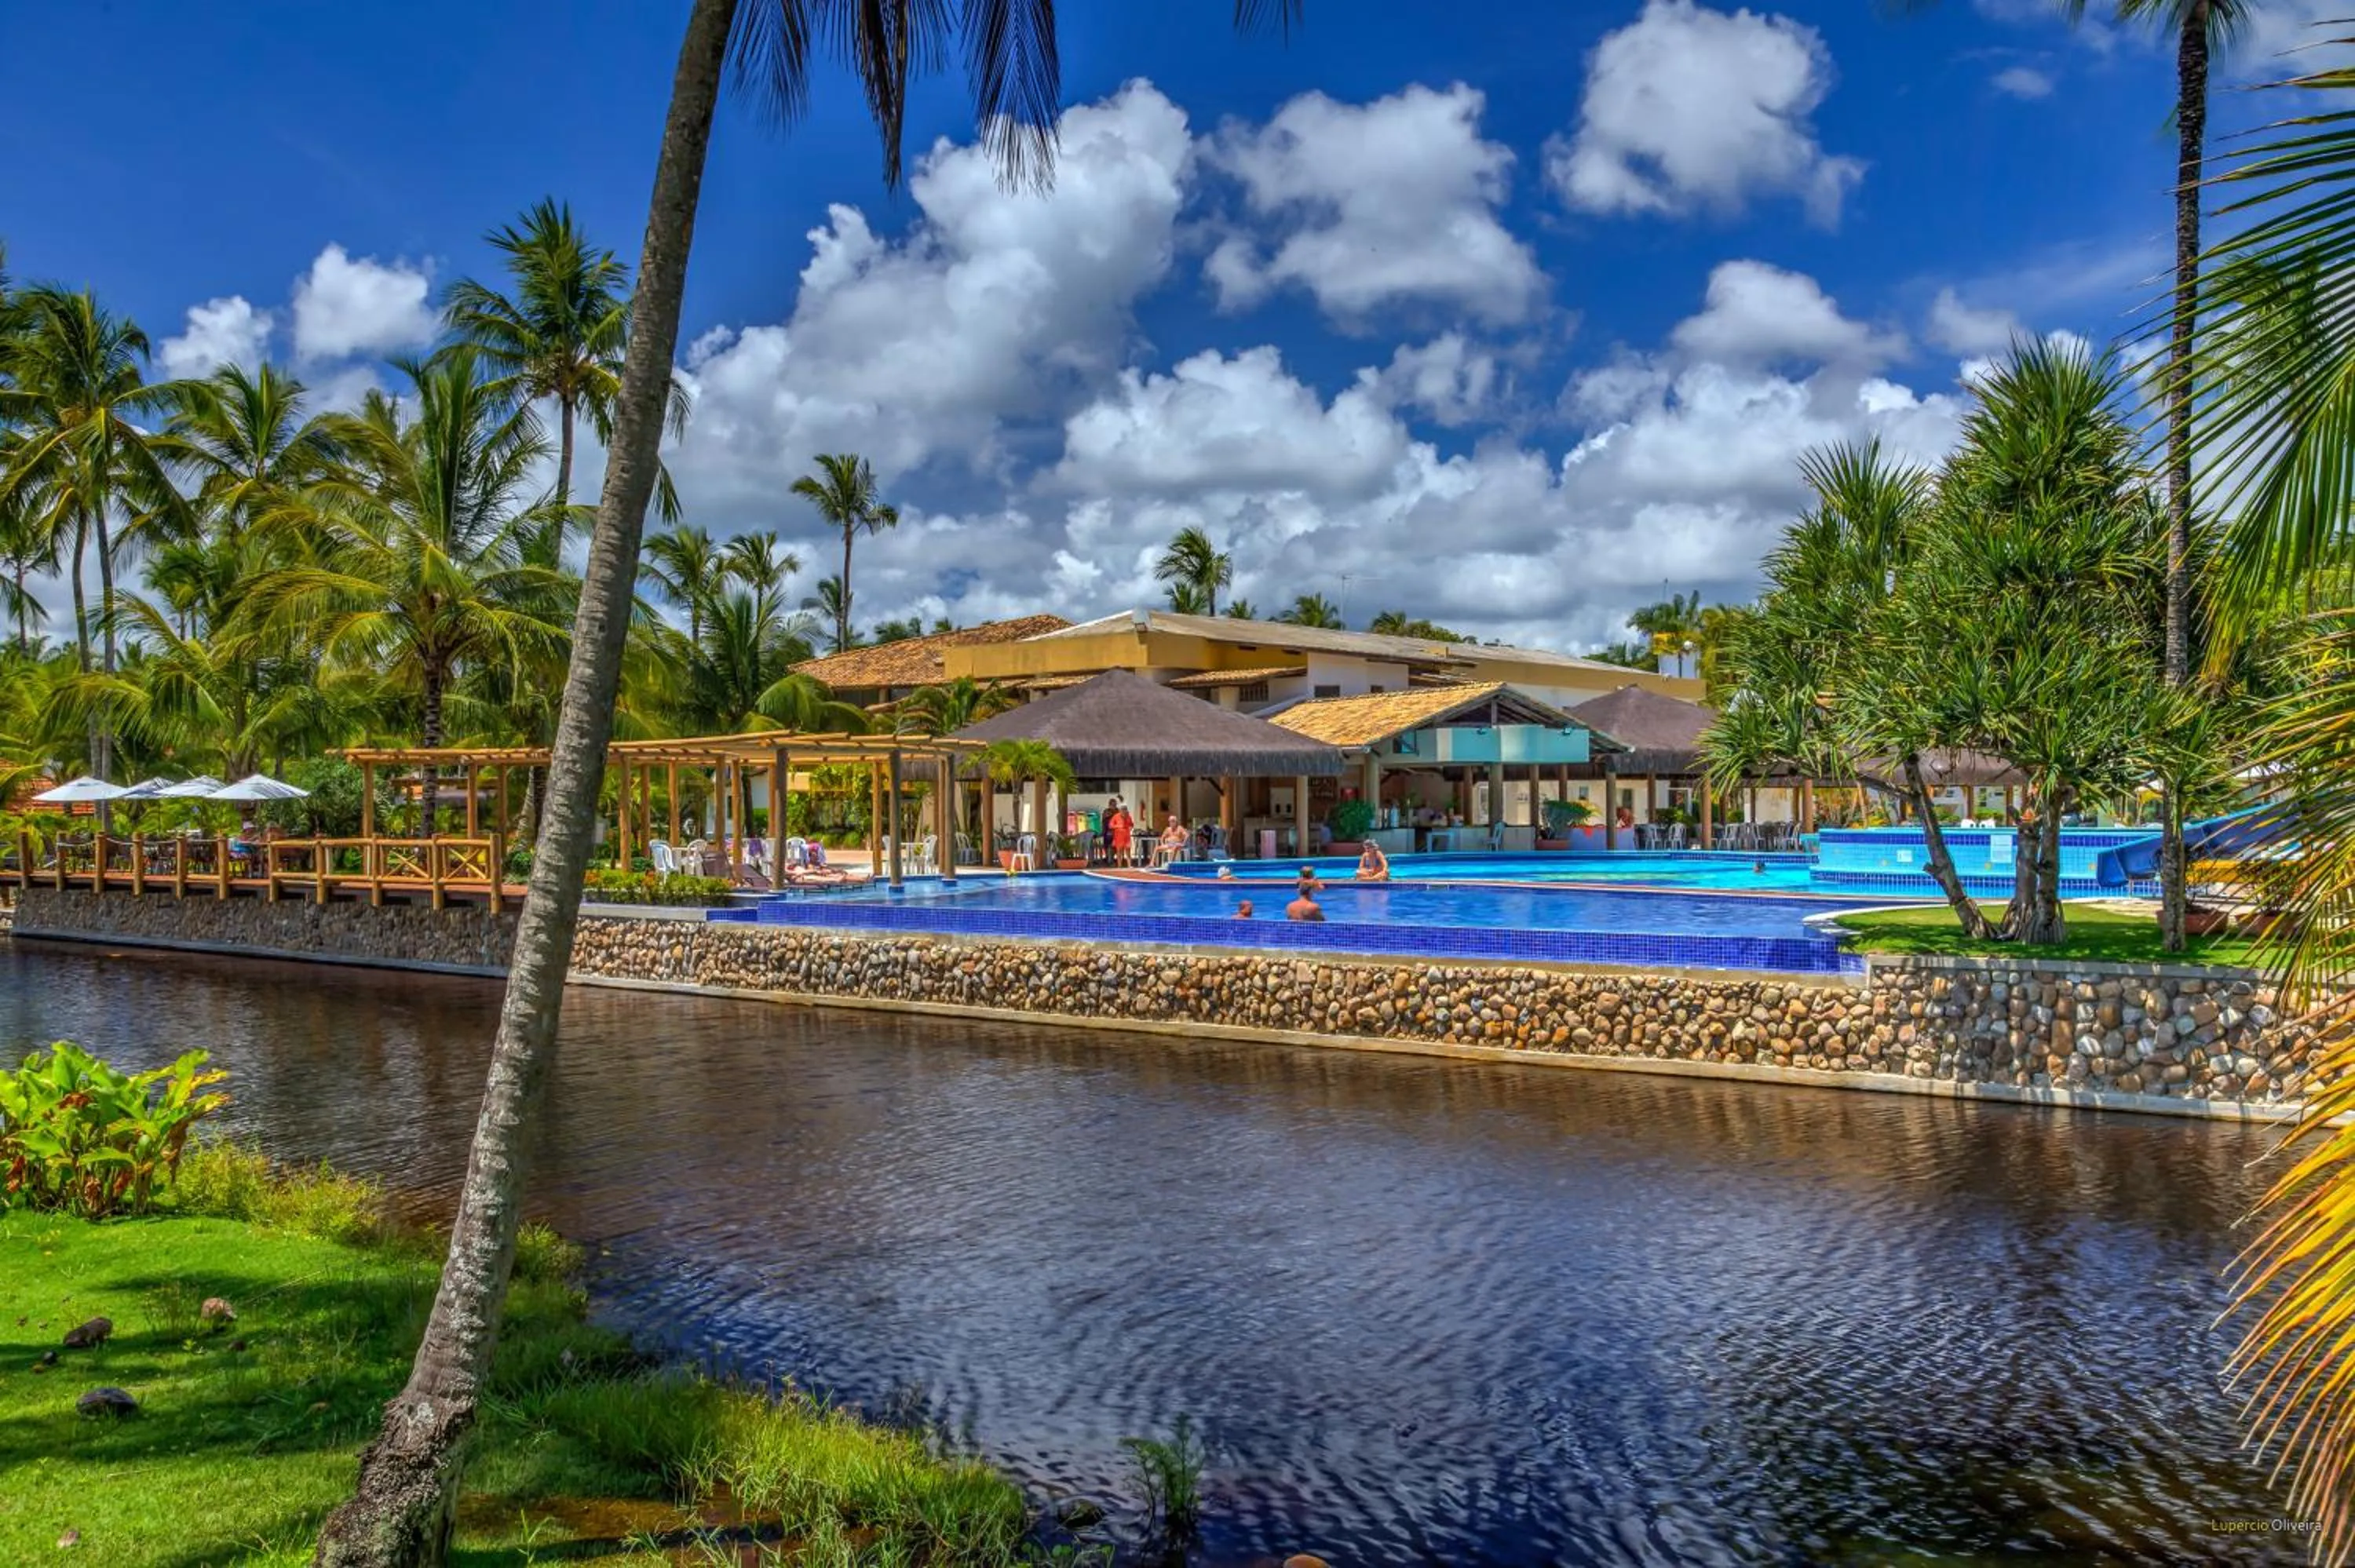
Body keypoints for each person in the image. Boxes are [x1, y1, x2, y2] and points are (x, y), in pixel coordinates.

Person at [1107, 798, 1133, 865]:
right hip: (1119, 837)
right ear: (1120, 810)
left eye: (1125, 809)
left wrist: (1129, 825)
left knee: (1128, 851)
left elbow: (1131, 824)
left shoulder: (1128, 816)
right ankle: (1119, 866)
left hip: (1127, 836)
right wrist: (1118, 826)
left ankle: (1129, 865)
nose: (1125, 810)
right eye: (1123, 809)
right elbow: (1110, 826)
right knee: (1119, 852)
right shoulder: (1116, 816)